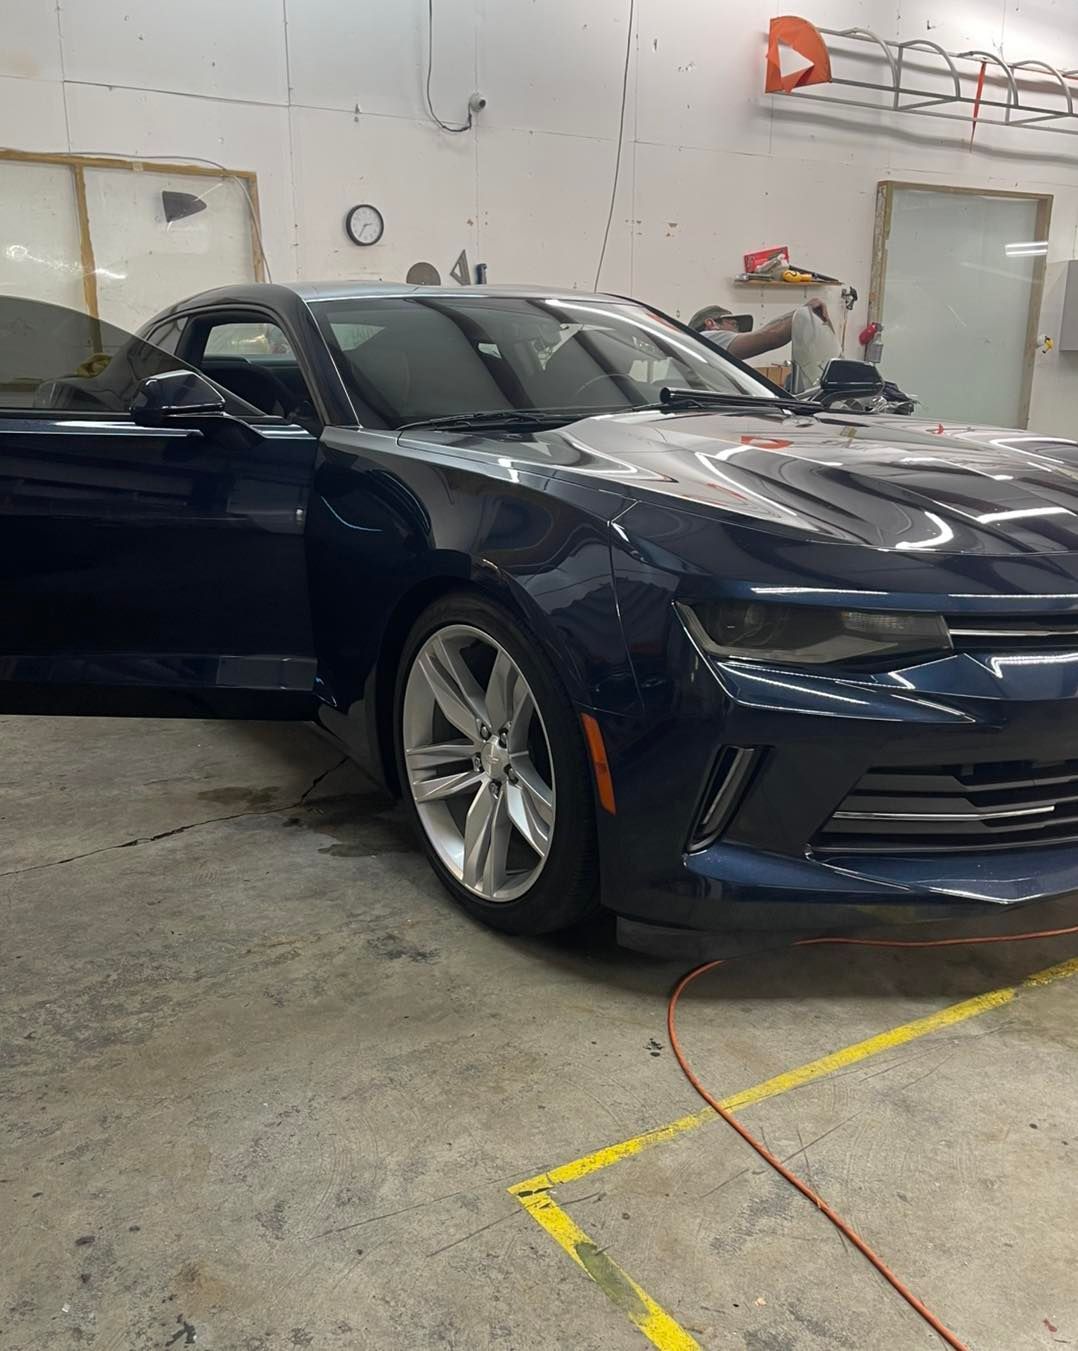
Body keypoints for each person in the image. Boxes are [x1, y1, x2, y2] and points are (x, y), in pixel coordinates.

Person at [689, 299, 831, 361]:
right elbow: (771, 335)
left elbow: (767, 330)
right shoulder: (707, 339)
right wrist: (804, 311)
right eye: (734, 325)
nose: (737, 333)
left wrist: (799, 311)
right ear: (711, 323)